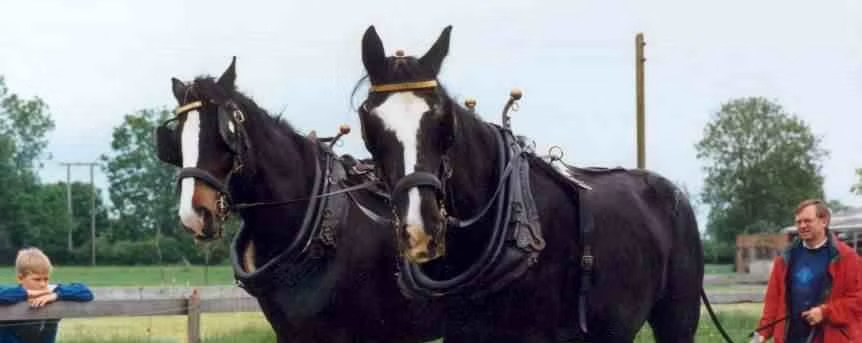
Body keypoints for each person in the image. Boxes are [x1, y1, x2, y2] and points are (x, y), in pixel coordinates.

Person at [753, 199, 862, 342]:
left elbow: (858, 300)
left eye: (807, 221)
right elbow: (773, 301)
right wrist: (761, 334)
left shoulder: (846, 257)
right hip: (791, 337)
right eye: (798, 222)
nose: (802, 226)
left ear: (824, 221)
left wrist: (825, 312)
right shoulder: (785, 258)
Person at [0, 247, 94, 343]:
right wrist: (27, 293)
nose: (43, 284)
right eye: (37, 279)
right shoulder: (10, 292)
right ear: (20, 278)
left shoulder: (50, 291)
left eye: (46, 279)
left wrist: (56, 295)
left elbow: (85, 292)